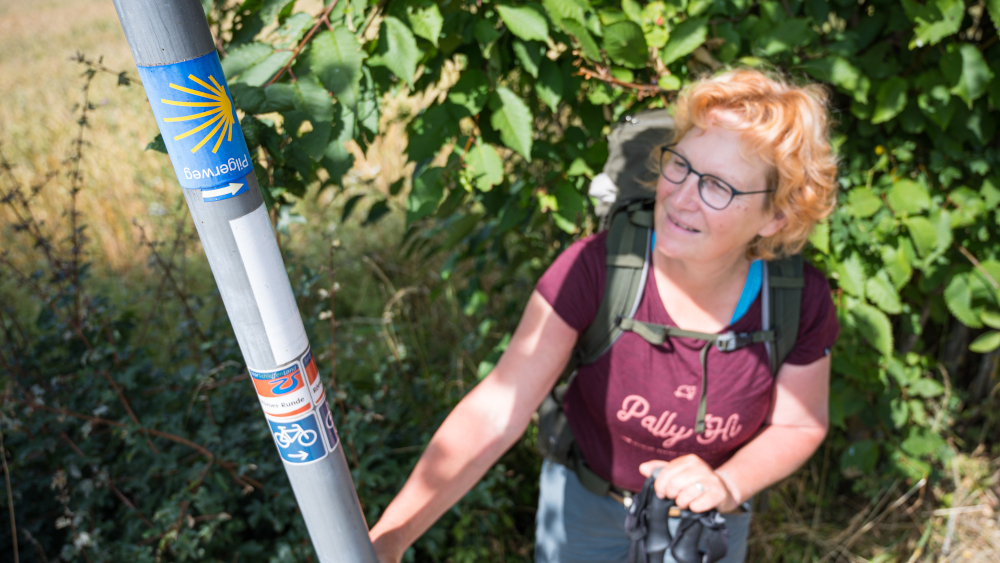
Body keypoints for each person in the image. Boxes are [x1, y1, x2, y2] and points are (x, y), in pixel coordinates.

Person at [369, 68, 841, 562]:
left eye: (718, 187)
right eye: (679, 165)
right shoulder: (595, 270)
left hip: (706, 525)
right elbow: (496, 410)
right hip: (585, 509)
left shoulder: (795, 299)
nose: (679, 197)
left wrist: (727, 482)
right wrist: (393, 536)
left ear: (775, 217)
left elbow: (798, 425)